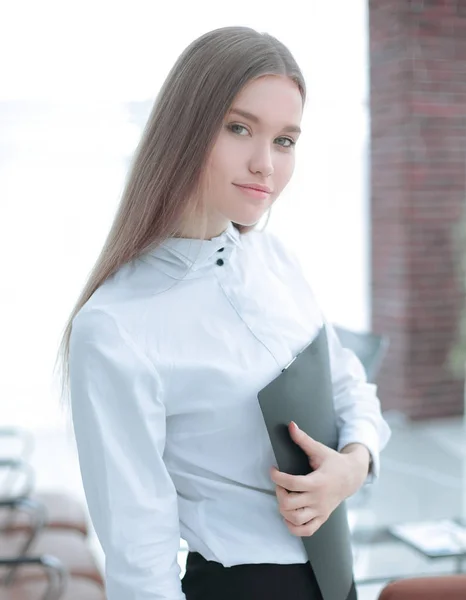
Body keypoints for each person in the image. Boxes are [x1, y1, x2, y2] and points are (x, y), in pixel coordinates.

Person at [56, 26, 391, 600]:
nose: (265, 163)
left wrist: (352, 468)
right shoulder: (115, 327)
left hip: (338, 579)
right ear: (184, 130)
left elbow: (351, 388)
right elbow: (141, 557)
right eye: (239, 129)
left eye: (285, 140)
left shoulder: (276, 260)